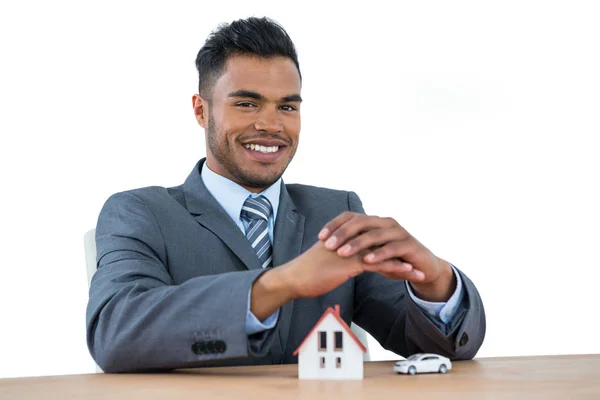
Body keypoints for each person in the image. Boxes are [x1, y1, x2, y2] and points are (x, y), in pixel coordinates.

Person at [86, 16, 486, 373]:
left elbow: (426, 344)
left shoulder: (337, 211)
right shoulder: (140, 212)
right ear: (201, 111)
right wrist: (282, 283)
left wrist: (434, 281)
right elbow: (117, 331)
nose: (271, 125)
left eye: (288, 107)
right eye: (246, 103)